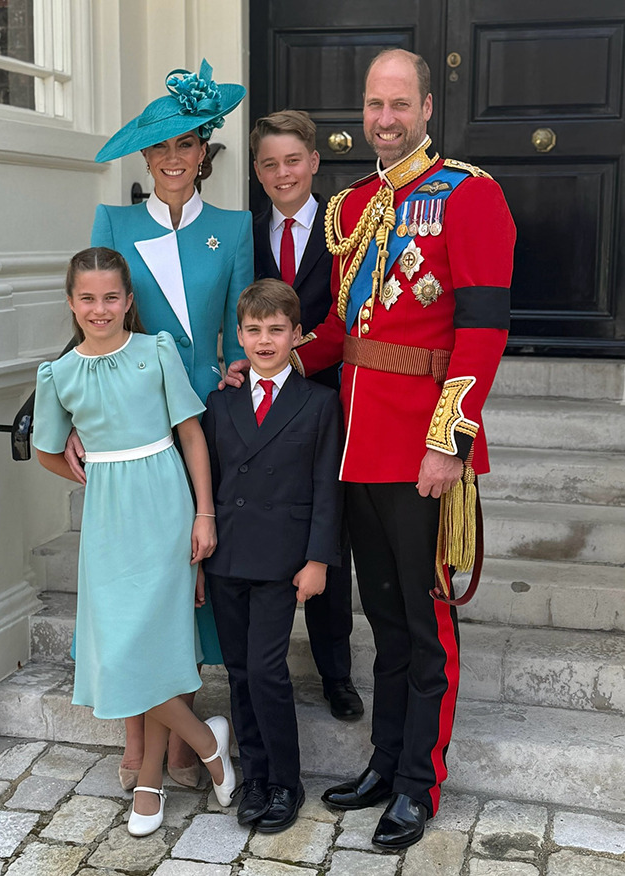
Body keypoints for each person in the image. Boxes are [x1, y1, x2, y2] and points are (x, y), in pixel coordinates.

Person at [226, 48, 515, 849]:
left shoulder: (470, 195)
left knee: (425, 625)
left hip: (422, 449)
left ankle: (422, 782)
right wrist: (266, 362)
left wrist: (448, 442)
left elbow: (483, 331)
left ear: (427, 108)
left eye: (399, 104)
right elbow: (341, 335)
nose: (384, 119)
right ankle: (388, 760)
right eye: (373, 105)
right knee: (382, 622)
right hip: (353, 447)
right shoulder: (350, 207)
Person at [64, 59, 253, 791]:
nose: (174, 160)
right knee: (132, 578)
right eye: (161, 149)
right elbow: (91, 312)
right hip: (132, 418)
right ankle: (143, 744)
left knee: (187, 566)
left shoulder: (233, 229)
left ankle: (183, 725)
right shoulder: (115, 221)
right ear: (146, 159)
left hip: (201, 416)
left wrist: (237, 370)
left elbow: (238, 333)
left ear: (206, 151)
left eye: (187, 146)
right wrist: (76, 413)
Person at [33, 247, 236, 838]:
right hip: (108, 518)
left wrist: (205, 513)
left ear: (129, 301)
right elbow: (47, 449)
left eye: (112, 297)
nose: (101, 309)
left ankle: (149, 781)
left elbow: (191, 436)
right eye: (88, 299)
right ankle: (206, 740)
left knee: (156, 647)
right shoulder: (59, 374)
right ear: (72, 304)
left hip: (166, 505)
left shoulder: (156, 352)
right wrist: (86, 465)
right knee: (120, 654)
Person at [202, 279, 344, 833]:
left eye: (276, 330)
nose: (264, 341)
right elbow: (207, 479)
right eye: (254, 331)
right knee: (238, 672)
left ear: (297, 335)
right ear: (239, 336)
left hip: (283, 560)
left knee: (266, 671)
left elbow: (327, 488)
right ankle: (256, 775)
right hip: (227, 555)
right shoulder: (222, 400)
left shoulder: (319, 403)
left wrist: (318, 559)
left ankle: (287, 779)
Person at [250, 110, 363, 722]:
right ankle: (252, 662)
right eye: (269, 163)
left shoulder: (345, 227)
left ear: (314, 163)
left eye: (293, 160)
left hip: (328, 401)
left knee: (328, 536)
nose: (282, 172)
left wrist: (293, 357)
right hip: (262, 407)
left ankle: (337, 674)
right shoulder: (243, 232)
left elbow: (349, 320)